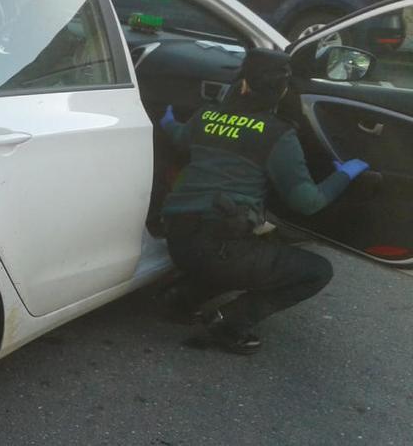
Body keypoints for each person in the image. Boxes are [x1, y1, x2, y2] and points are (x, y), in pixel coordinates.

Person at [159, 48, 370, 355]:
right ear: (282, 91)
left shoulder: (206, 115)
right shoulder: (277, 135)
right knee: (316, 270)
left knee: (252, 248)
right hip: (221, 248)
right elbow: (307, 202)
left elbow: (179, 137)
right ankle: (229, 323)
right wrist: (345, 175)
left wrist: (166, 121)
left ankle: (180, 300)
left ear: (243, 84)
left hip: (177, 239)